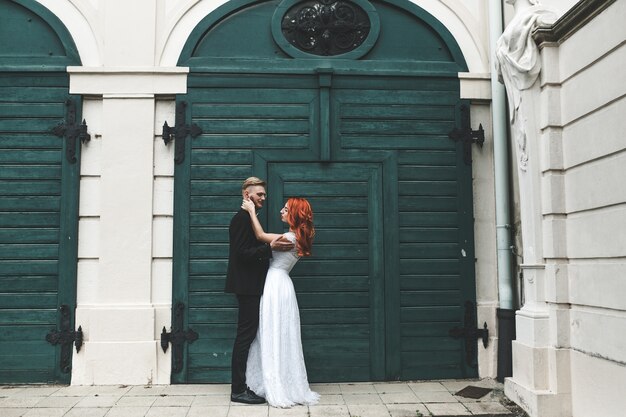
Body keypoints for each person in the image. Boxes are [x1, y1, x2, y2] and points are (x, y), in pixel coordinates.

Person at [241, 196, 320, 408]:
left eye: (285, 209)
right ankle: (282, 379)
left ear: (295, 213)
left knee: (271, 330)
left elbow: (259, 235)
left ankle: (275, 383)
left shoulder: (288, 238)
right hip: (283, 284)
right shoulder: (296, 237)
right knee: (281, 331)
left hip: (275, 283)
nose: (281, 211)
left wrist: (250, 211)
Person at [225, 177, 295, 405]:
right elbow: (241, 254)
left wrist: (266, 247)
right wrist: (268, 248)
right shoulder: (241, 220)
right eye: (259, 195)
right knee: (244, 336)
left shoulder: (250, 219)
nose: (264, 198)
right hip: (246, 286)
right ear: (247, 195)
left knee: (248, 335)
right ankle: (237, 390)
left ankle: (247, 384)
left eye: (264, 195)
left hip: (253, 286)